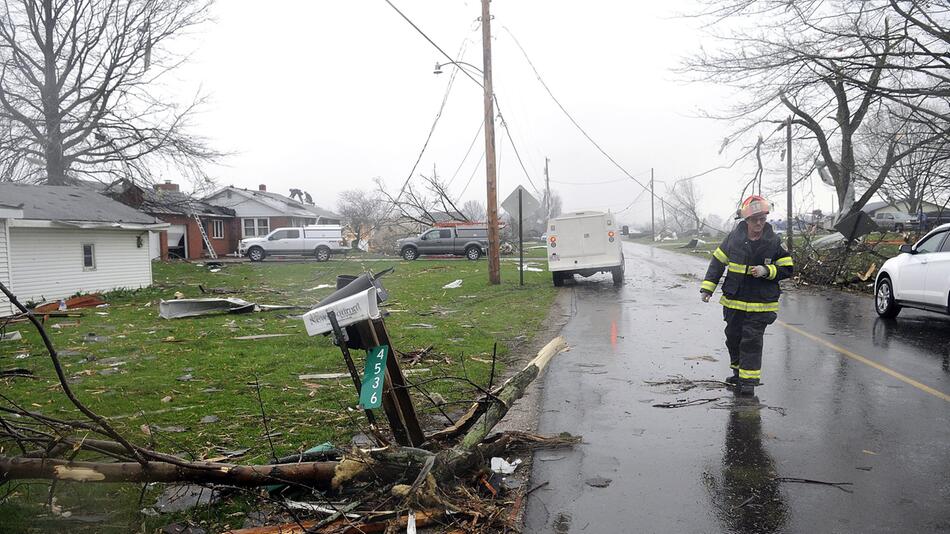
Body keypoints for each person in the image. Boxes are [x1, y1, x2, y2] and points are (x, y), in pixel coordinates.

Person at [700, 195, 794, 395]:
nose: (759, 223)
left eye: (762, 218)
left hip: (761, 304)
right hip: (734, 301)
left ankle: (749, 383)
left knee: (751, 340)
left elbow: (787, 268)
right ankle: (738, 373)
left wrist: (767, 271)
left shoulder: (774, 242)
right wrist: (708, 288)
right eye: (755, 219)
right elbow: (717, 263)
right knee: (732, 337)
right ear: (746, 220)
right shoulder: (733, 239)